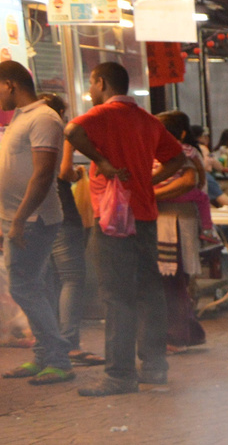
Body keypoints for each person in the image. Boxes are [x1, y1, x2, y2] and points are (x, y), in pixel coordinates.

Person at [63, 61, 188, 395]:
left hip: (113, 219)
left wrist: (102, 162)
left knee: (117, 296)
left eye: (90, 84)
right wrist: (150, 178)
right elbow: (179, 160)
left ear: (100, 82)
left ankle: (119, 375)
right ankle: (154, 366)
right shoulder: (147, 121)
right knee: (149, 291)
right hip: (145, 215)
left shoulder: (103, 115)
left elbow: (71, 131)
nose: (90, 91)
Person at [0, 62, 72, 385]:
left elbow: (43, 175)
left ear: (11, 85)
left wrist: (18, 219)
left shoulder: (44, 118)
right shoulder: (22, 117)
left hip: (33, 219)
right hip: (17, 218)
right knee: (35, 286)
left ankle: (57, 356)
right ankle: (45, 355)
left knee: (23, 286)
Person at [38, 94, 101, 368]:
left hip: (34, 215)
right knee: (72, 278)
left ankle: (50, 344)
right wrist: (77, 173)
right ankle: (69, 343)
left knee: (48, 280)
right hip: (62, 210)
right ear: (61, 112)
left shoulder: (26, 132)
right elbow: (64, 172)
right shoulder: (61, 133)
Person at [153, 111, 210, 350]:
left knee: (173, 279)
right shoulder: (174, 153)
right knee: (175, 280)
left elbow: (192, 181)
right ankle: (190, 331)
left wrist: (148, 193)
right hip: (172, 218)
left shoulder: (182, 153)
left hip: (173, 220)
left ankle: (177, 335)